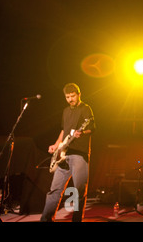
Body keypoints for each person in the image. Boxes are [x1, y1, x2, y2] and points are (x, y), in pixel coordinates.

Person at [41, 83, 95, 222]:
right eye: (67, 97)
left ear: (79, 94)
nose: (70, 99)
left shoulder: (85, 108)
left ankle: (76, 220)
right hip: (63, 155)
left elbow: (92, 128)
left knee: (78, 191)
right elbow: (63, 131)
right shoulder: (65, 111)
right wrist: (56, 144)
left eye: (73, 96)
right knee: (55, 190)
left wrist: (82, 133)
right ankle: (46, 219)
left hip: (79, 154)